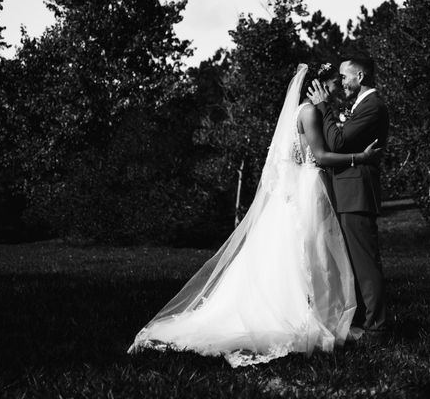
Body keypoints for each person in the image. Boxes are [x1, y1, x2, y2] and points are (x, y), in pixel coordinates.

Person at [128, 64, 381, 367]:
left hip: (303, 186)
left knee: (307, 254)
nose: (337, 88)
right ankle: (307, 316)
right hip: (311, 186)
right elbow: (322, 155)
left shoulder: (299, 111)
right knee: (313, 254)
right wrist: (360, 157)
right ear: (319, 86)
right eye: (333, 83)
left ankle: (317, 311)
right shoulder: (310, 112)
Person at [307, 52, 390, 342]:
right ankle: (359, 320)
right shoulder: (358, 105)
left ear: (361, 76)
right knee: (351, 264)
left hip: (357, 192)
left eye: (344, 75)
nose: (340, 81)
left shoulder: (373, 106)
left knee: (365, 263)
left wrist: (324, 106)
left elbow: (338, 142)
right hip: (345, 191)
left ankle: (377, 328)